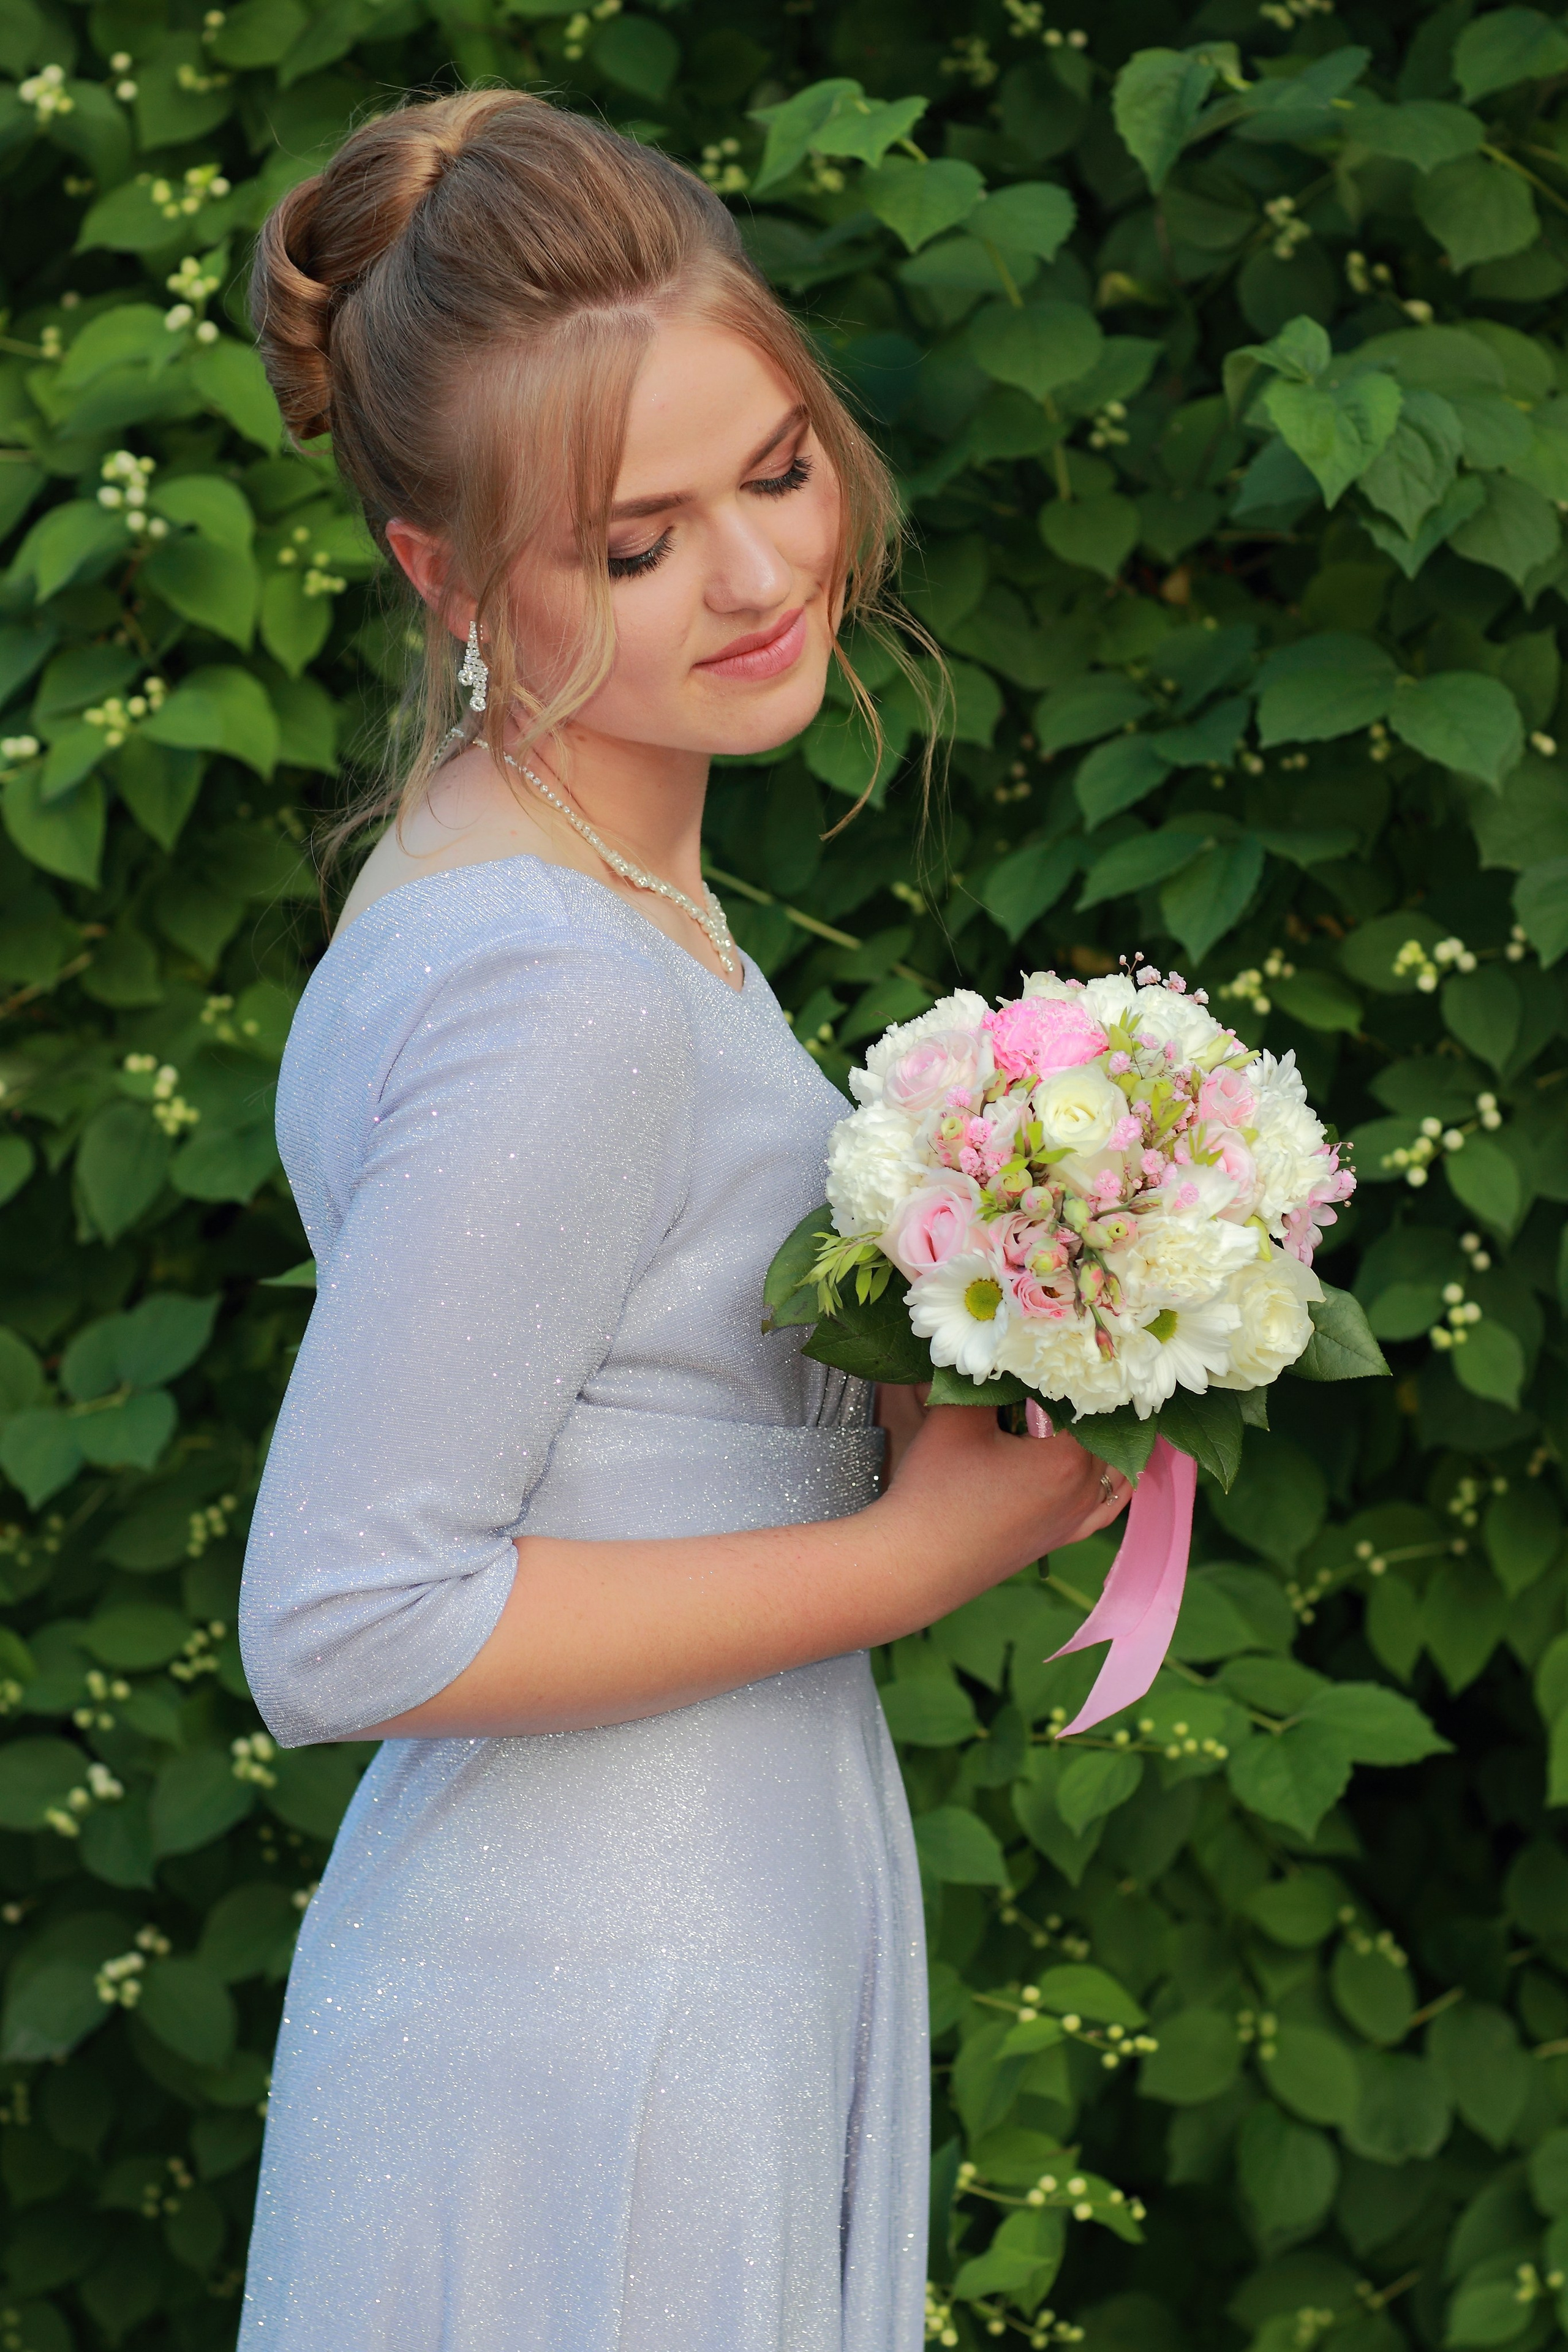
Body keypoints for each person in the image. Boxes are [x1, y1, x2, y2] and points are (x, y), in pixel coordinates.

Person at [235, 88, 1130, 2352]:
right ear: (447, 577)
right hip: (589, 2034)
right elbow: (344, 1622)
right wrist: (915, 1555)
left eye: (777, 469)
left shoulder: (570, 895)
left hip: (656, 1951)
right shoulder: (558, 984)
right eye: (631, 546)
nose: (753, 578)